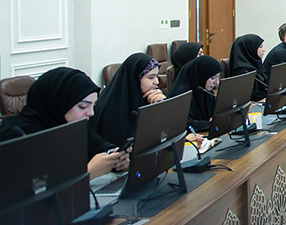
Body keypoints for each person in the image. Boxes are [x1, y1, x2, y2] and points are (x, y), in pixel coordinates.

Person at [0, 68, 129, 178]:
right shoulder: (15, 133)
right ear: (58, 103)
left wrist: (118, 160)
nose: (91, 113)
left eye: (93, 106)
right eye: (83, 106)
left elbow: (102, 148)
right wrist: (87, 173)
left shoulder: (71, 125)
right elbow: (29, 187)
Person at [91, 53, 164, 148]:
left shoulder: (147, 99)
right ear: (135, 78)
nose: (157, 82)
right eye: (151, 77)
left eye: (157, 76)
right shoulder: (112, 109)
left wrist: (162, 106)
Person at [169, 55, 222, 133]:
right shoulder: (181, 95)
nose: (216, 82)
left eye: (218, 77)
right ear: (201, 75)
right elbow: (186, 124)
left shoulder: (206, 91)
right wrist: (210, 124)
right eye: (213, 78)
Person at [229, 33, 268, 100]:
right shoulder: (242, 72)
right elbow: (252, 95)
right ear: (250, 49)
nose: (263, 50)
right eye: (260, 47)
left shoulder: (255, 63)